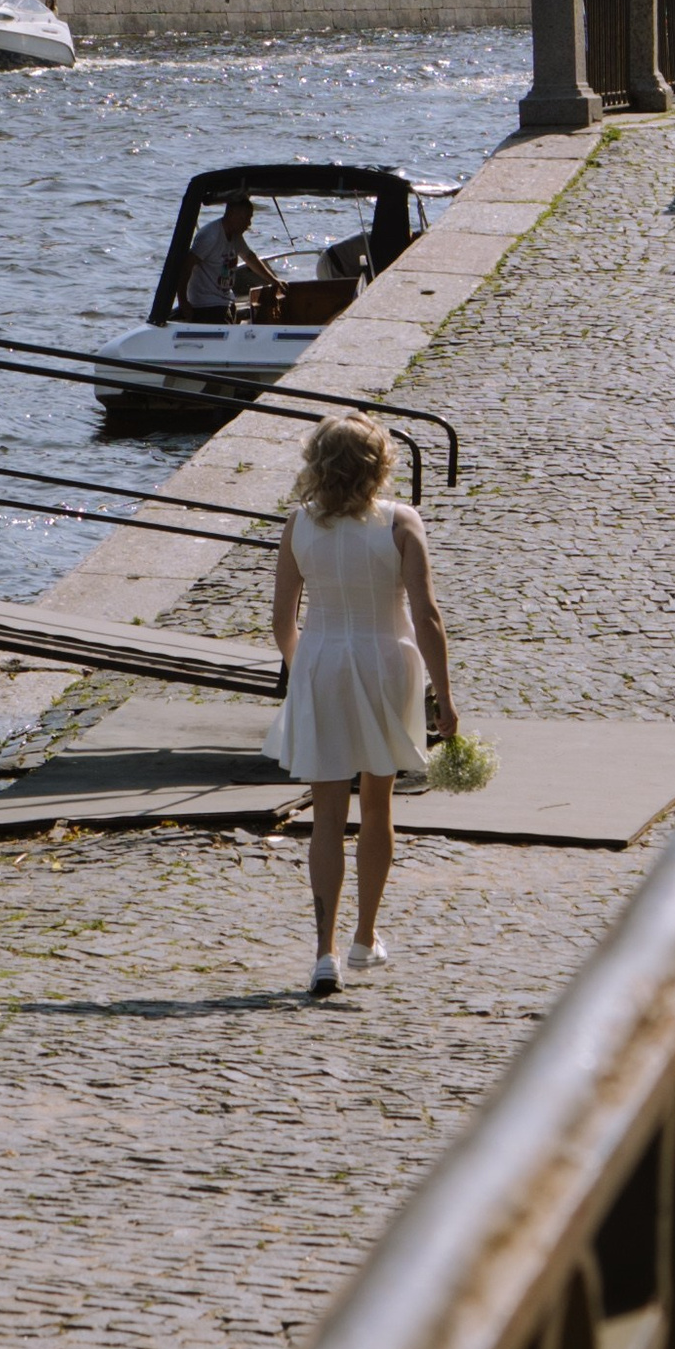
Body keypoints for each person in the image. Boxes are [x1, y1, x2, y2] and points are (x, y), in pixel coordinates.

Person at [270, 413, 457, 997]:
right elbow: (426, 617)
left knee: (326, 812)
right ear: (379, 465)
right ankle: (364, 936)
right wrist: (445, 698)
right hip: (385, 659)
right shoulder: (401, 522)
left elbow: (282, 622)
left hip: (322, 656)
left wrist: (306, 672)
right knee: (377, 805)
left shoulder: (299, 525)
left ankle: (322, 953)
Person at [183, 192, 283, 317]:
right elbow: (186, 266)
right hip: (207, 304)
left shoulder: (236, 236)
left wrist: (273, 281)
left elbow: (249, 257)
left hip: (225, 299)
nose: (249, 224)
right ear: (232, 214)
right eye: (246, 218)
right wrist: (183, 301)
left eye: (250, 218)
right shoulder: (210, 235)